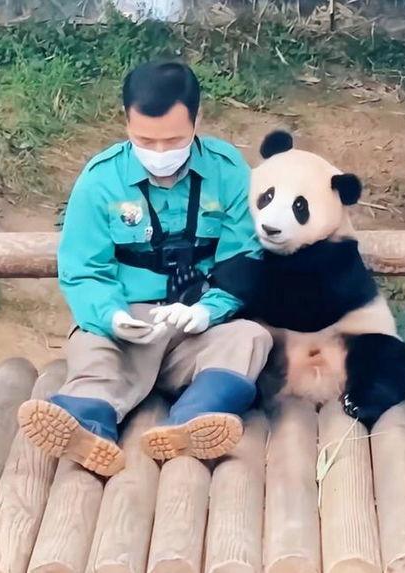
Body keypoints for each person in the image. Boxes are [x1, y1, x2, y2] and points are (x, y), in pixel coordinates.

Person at [17, 61, 272, 477]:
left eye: (173, 140)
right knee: (95, 354)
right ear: (126, 123)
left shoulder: (228, 171)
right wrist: (112, 317)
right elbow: (83, 269)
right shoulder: (100, 180)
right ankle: (87, 426)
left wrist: (207, 311)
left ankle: (191, 422)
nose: (159, 152)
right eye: (145, 140)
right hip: (126, 324)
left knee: (250, 338)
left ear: (198, 120)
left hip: (195, 324)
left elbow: (244, 256)